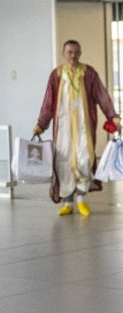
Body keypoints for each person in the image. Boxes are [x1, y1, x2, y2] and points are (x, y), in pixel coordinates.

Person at [33, 39, 121, 217]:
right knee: (63, 161)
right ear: (63, 54)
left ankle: (81, 200)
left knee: (84, 159)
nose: (73, 56)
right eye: (69, 52)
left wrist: (113, 116)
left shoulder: (89, 73)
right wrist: (40, 125)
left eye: (76, 52)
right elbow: (48, 103)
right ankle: (67, 203)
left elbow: (102, 95)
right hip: (63, 128)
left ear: (80, 53)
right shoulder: (56, 75)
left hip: (84, 127)